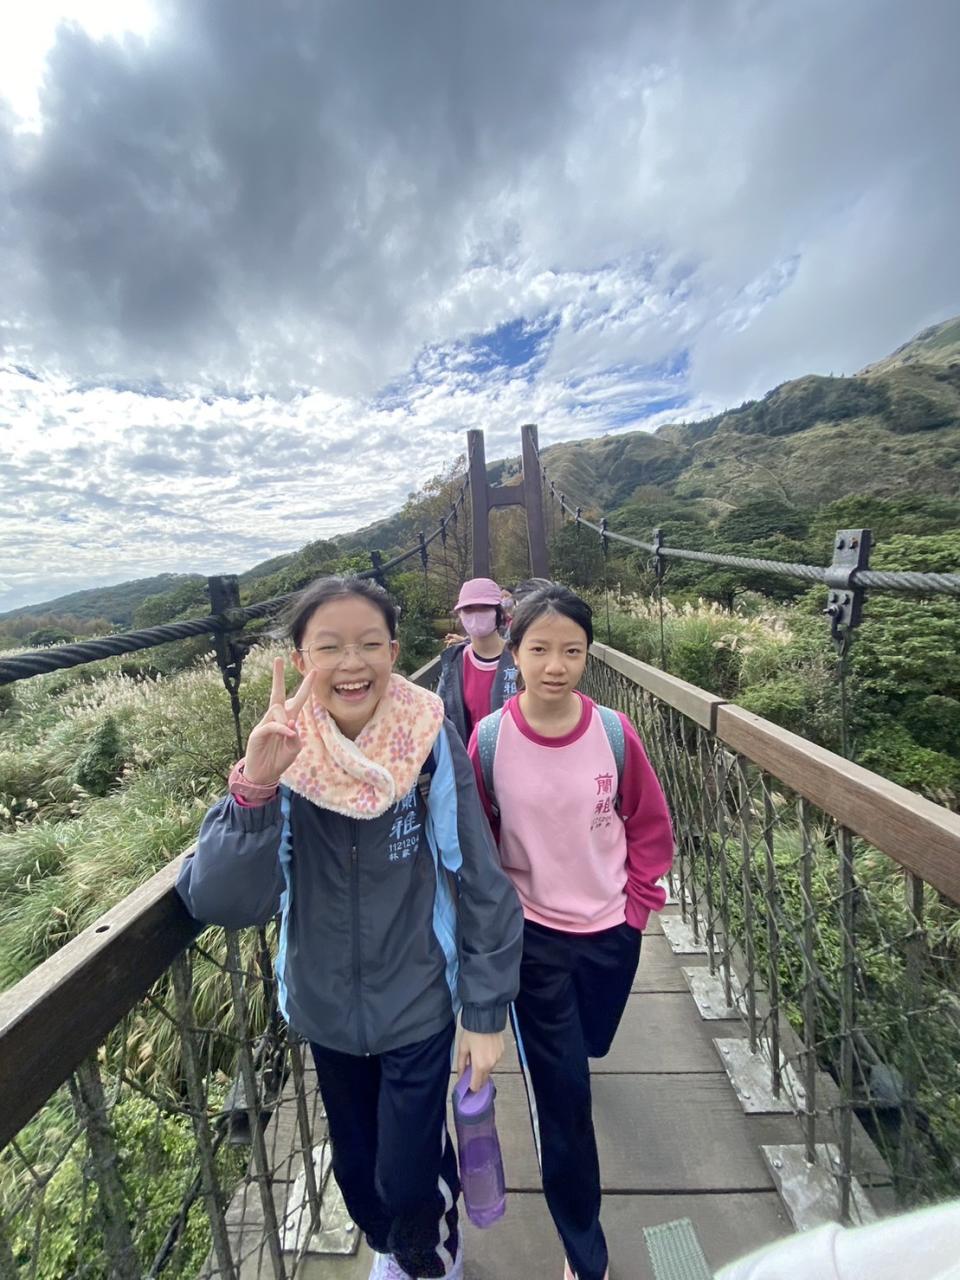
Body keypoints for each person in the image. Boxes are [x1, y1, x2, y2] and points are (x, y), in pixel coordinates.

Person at [177, 575, 523, 1280]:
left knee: (405, 1175)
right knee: (361, 1174)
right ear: (302, 661)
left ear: (396, 651)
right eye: (329, 646)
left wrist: (484, 1012)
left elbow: (481, 881)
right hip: (324, 1010)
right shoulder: (281, 752)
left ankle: (428, 1252)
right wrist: (254, 789)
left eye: (370, 643)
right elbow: (224, 901)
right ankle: (396, 1239)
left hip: (420, 1000)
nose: (353, 662)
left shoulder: (428, 737)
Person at [467, 584, 674, 1280]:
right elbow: (479, 840)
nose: (555, 665)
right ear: (514, 653)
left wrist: (640, 906)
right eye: (539, 649)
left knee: (595, 1042)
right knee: (564, 1103)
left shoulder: (615, 732)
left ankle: (577, 1054)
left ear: (589, 655)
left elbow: (647, 821)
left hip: (613, 929)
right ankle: (585, 1252)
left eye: (572, 651)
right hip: (534, 940)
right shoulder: (489, 740)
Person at [436, 577, 519, 744]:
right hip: (471, 762)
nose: (476, 615)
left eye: (484, 608)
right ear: (460, 614)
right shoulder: (454, 664)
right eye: (468, 609)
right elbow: (439, 716)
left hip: (516, 757)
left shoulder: (520, 657)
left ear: (498, 612)